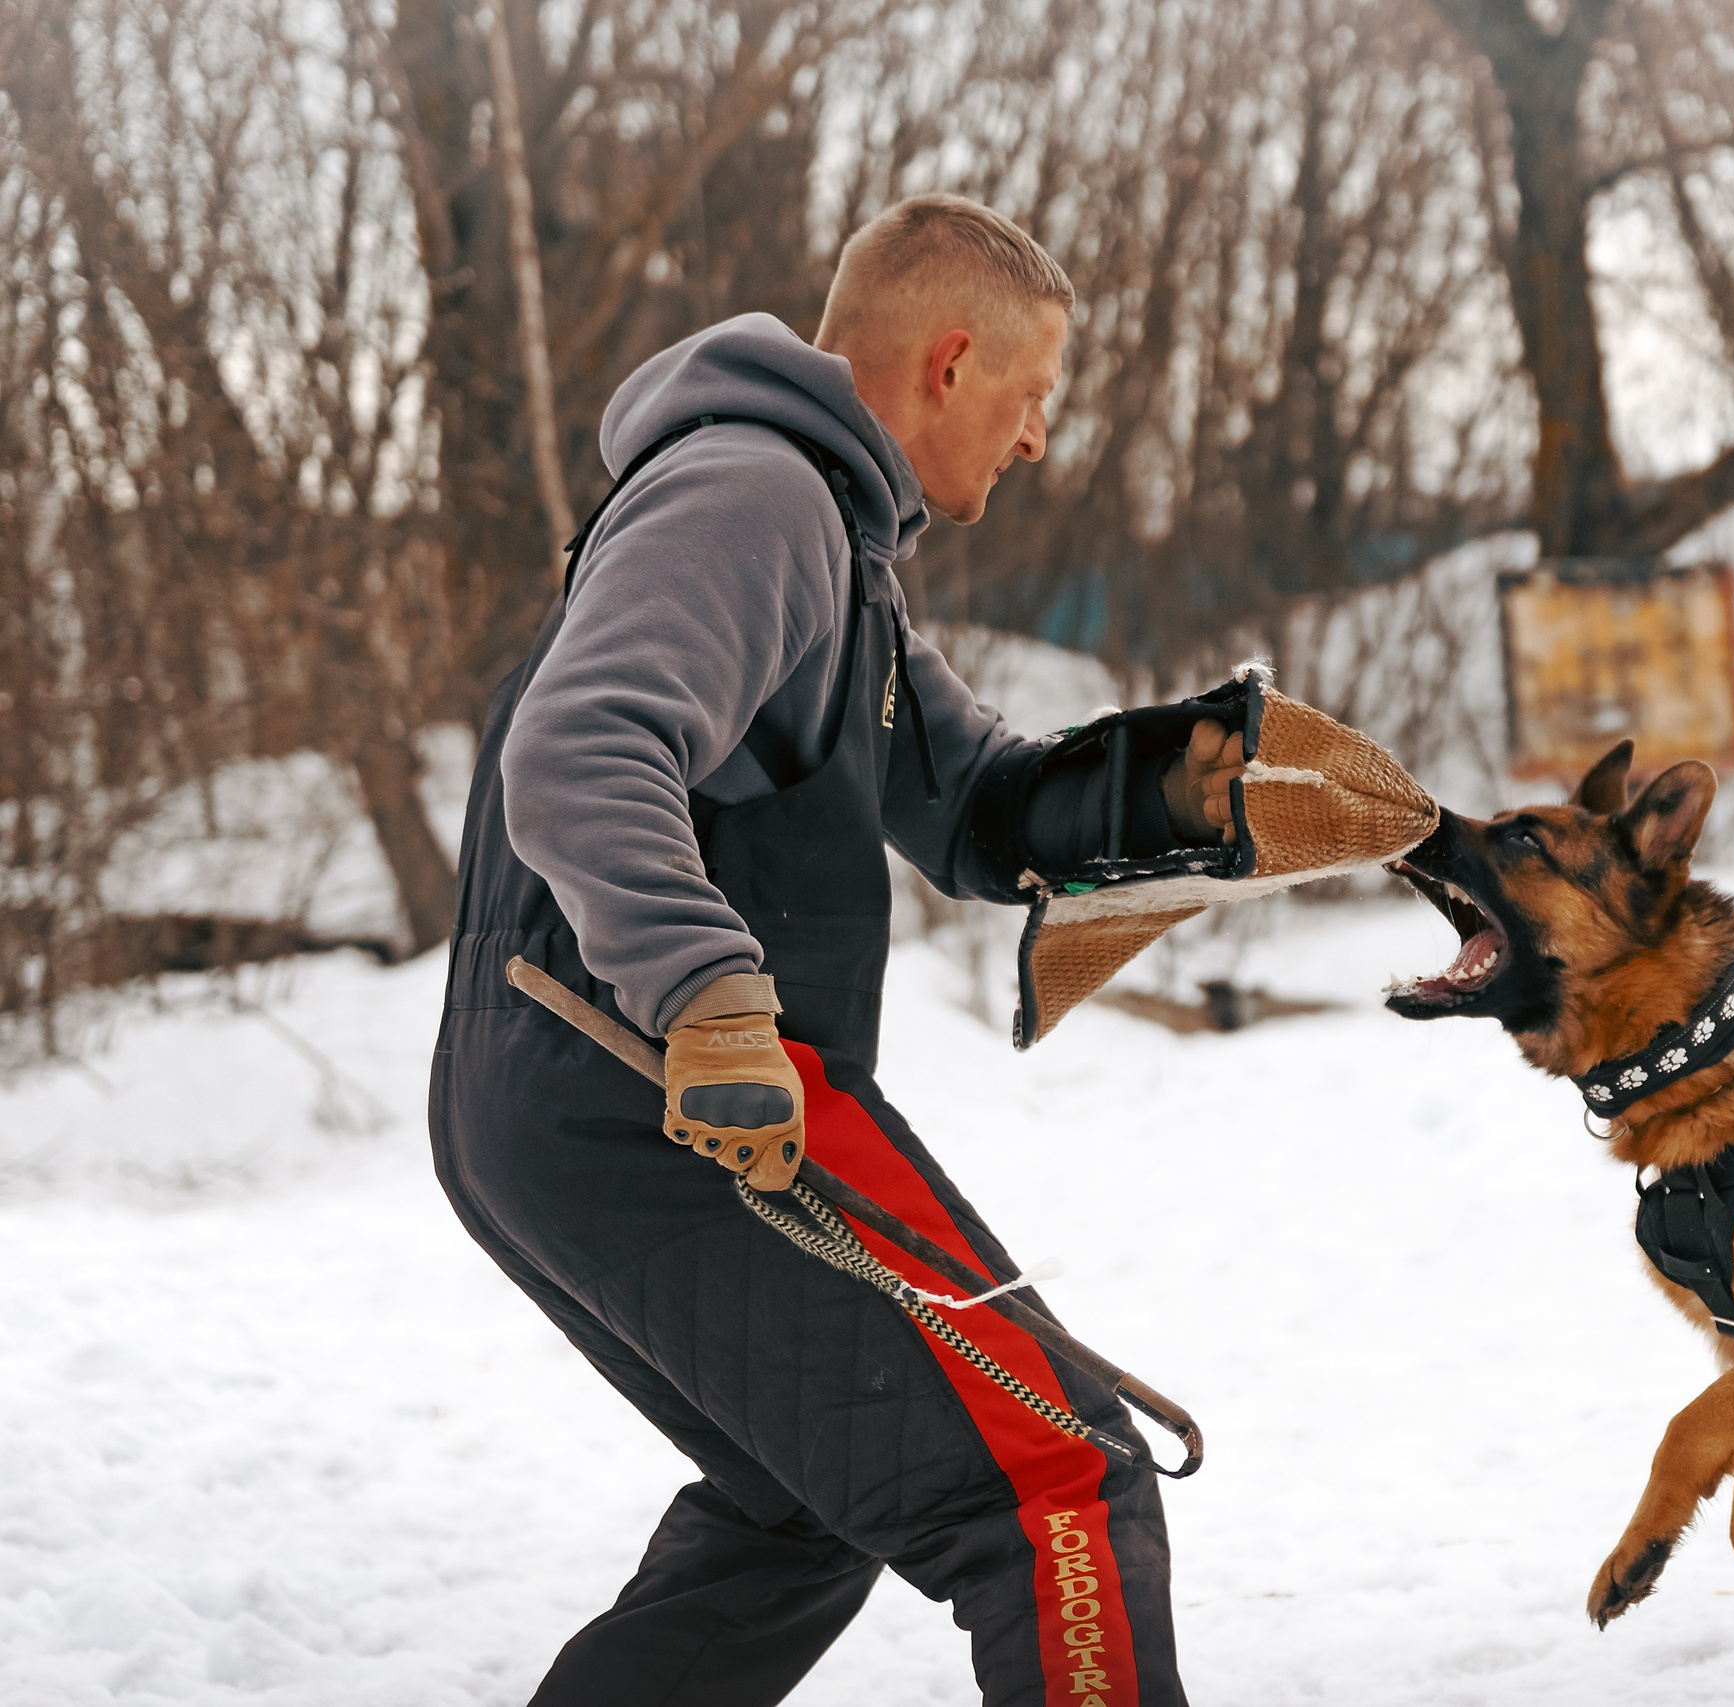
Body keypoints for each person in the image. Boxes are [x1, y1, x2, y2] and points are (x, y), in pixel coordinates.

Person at [428, 194, 1234, 1706]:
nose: (1038, 435)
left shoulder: (825, 541)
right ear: (946, 363)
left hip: (571, 1085)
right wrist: (715, 1001)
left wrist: (1185, 785)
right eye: (1031, 392)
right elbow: (581, 751)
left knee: (803, 1512)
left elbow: (978, 804)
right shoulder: (756, 495)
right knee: (1059, 1481)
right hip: (654, 1078)